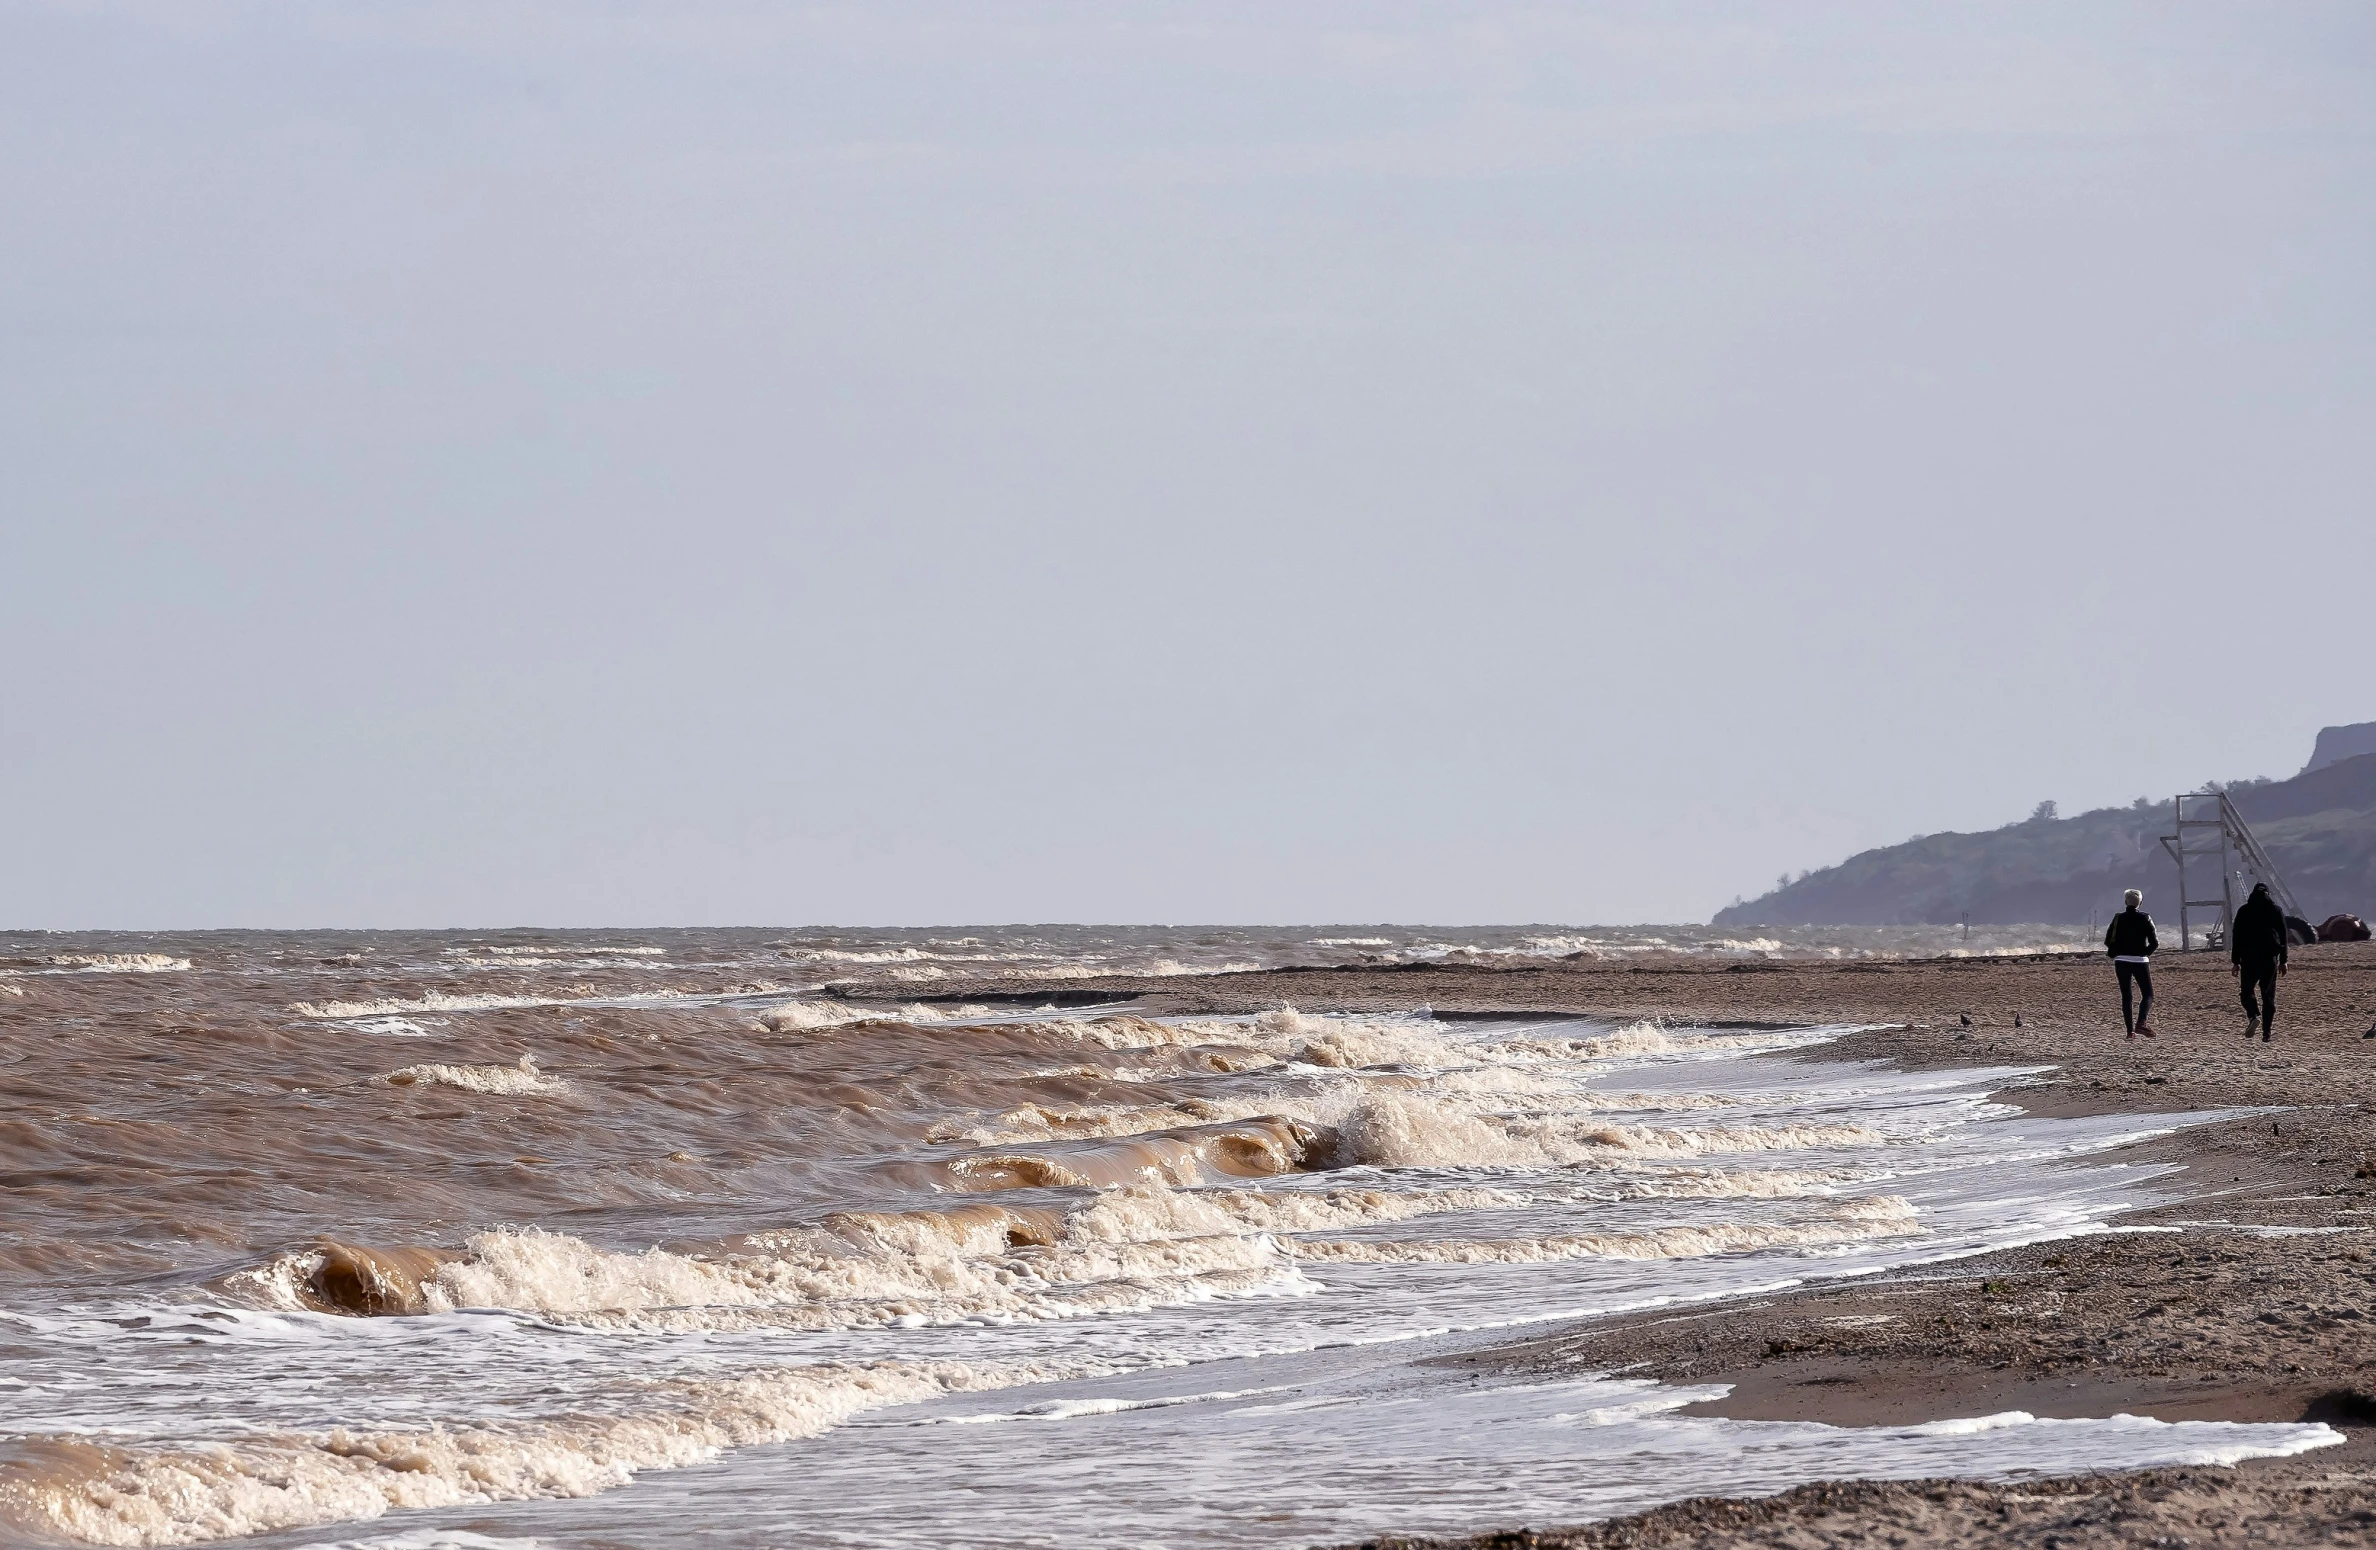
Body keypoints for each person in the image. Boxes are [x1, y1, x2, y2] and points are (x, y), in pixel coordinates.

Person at [2231, 881, 2289, 1041]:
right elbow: (2283, 936)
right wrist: (2283, 960)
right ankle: (2266, 1034)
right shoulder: (2275, 910)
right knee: (2268, 996)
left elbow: (2236, 937)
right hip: (2270, 958)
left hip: (2249, 958)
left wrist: (2235, 961)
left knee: (2246, 992)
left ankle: (2254, 1015)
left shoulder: (2244, 911)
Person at [2103, 888, 2158, 1039]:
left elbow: (2108, 940)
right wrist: (2145, 953)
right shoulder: (2146, 918)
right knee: (2148, 994)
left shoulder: (2117, 918)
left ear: (2126, 901)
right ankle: (2141, 1023)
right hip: (2140, 960)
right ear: (2140, 902)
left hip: (2121, 960)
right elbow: (2154, 942)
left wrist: (2117, 952)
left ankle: (2130, 1032)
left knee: (2126, 996)